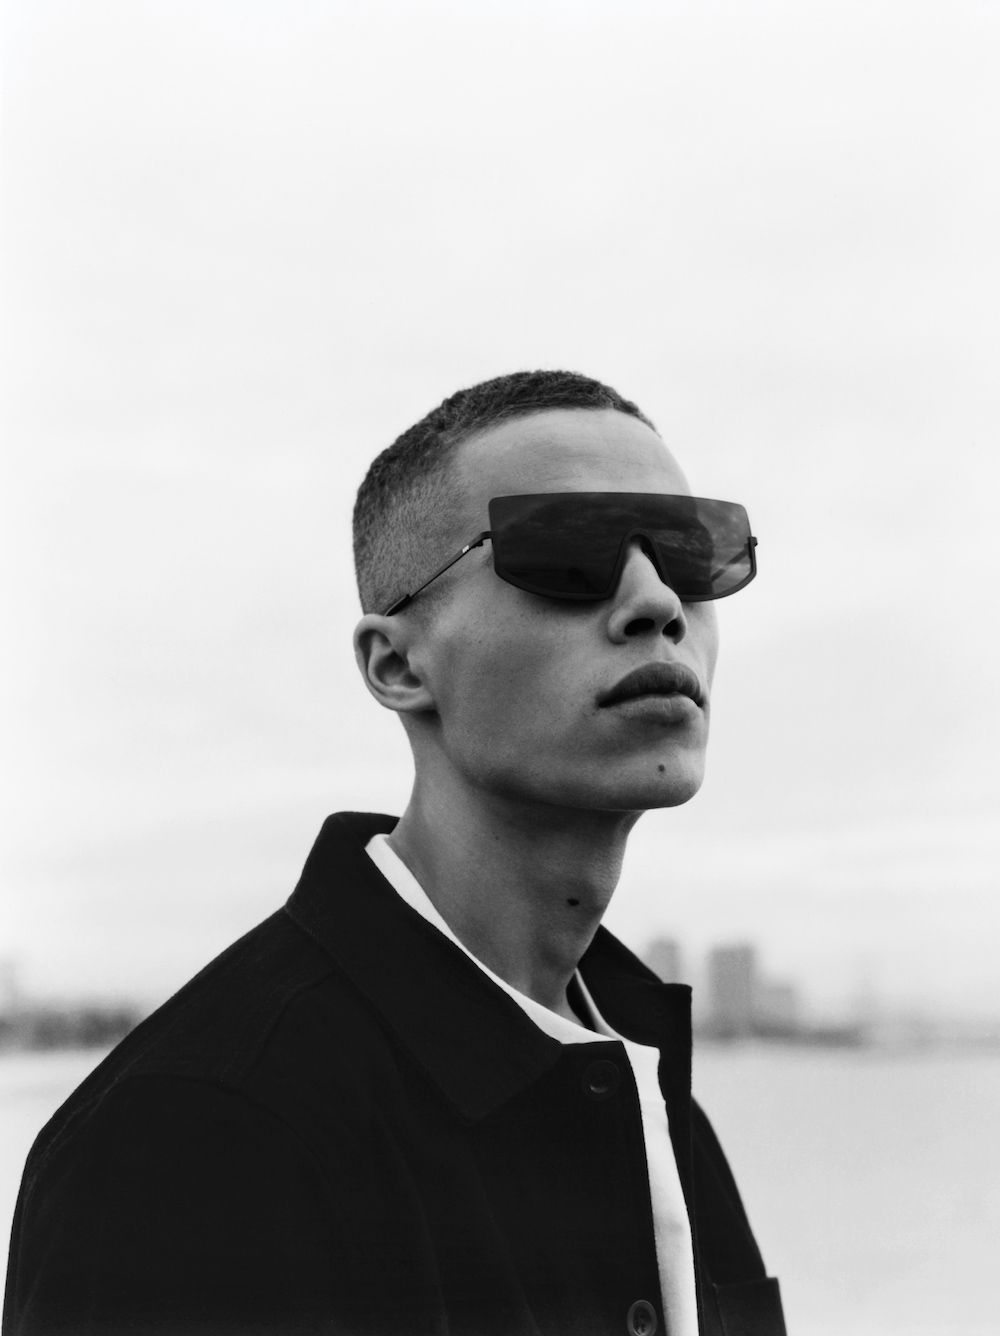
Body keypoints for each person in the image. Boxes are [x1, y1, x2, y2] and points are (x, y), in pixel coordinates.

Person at [3, 370, 785, 1336]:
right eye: (568, 554)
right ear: (397, 663)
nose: (657, 601)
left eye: (690, 553)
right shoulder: (194, 1134)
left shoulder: (653, 1101)